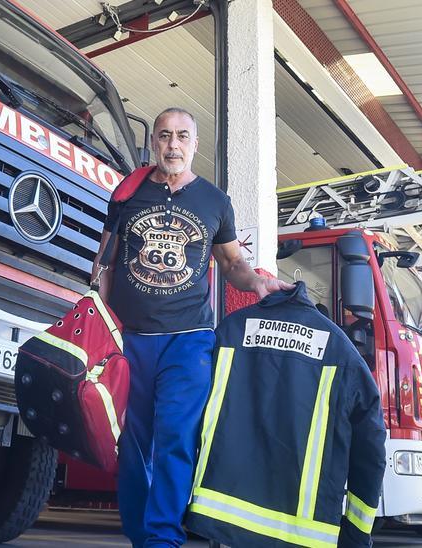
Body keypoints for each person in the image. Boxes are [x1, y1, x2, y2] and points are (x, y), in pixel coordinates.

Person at [93, 107, 293, 547]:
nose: (172, 145)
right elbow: (104, 261)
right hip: (132, 342)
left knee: (177, 438)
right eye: (164, 136)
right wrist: (99, 321)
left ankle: (163, 538)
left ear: (195, 145)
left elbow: (232, 263)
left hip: (189, 341)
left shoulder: (215, 202)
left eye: (182, 136)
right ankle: (139, 535)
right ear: (154, 144)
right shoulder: (127, 194)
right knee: (134, 444)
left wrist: (259, 282)